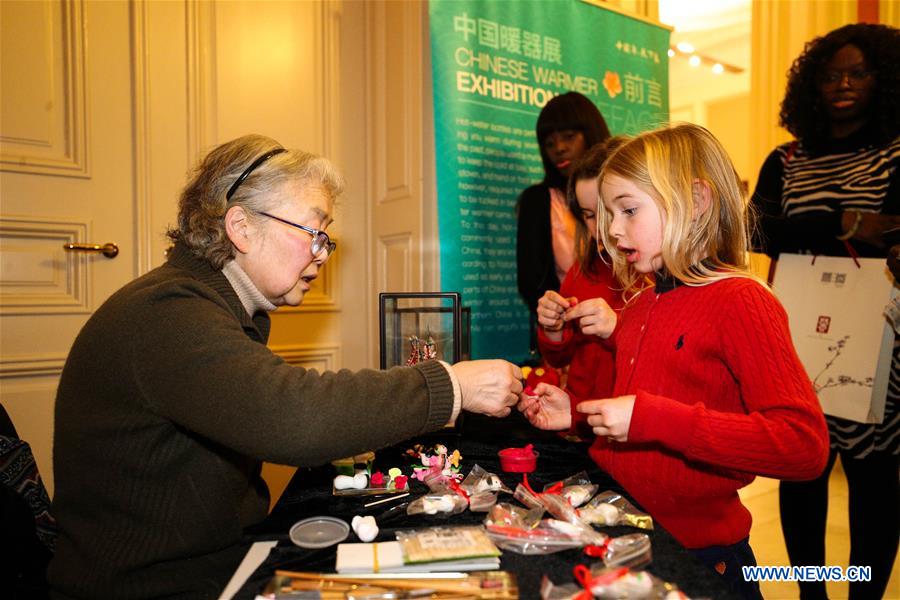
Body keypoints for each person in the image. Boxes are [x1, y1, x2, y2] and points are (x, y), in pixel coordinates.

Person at [48, 135, 523, 600]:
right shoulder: (166, 312)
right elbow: (297, 417)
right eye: (313, 233)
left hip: (213, 563)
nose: (322, 253)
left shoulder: (209, 306)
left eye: (326, 238)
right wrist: (450, 385)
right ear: (241, 227)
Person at [518, 123, 830, 599]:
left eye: (628, 210)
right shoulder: (641, 304)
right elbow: (641, 420)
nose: (612, 230)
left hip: (704, 556)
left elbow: (802, 446)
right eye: (608, 214)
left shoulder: (742, 301)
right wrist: (577, 413)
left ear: (697, 200)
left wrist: (652, 418)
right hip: (629, 534)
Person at [751, 23, 900, 600]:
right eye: (831, 74)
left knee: (873, 477)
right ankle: (812, 592)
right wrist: (847, 223)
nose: (843, 84)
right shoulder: (786, 158)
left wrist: (805, 229)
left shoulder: (894, 154)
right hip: (796, 330)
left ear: (883, 80)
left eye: (858, 72)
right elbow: (756, 229)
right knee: (802, 466)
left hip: (878, 336)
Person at [534, 142, 623, 439]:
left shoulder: (654, 276)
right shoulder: (583, 270)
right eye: (588, 215)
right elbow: (559, 357)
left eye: (606, 211)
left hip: (624, 433)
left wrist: (618, 328)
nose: (600, 228)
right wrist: (553, 328)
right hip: (579, 426)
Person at [516, 91, 611, 356]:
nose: (559, 148)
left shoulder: (624, 190)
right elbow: (531, 281)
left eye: (569, 137)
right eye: (549, 143)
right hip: (569, 339)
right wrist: (557, 318)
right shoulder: (538, 200)